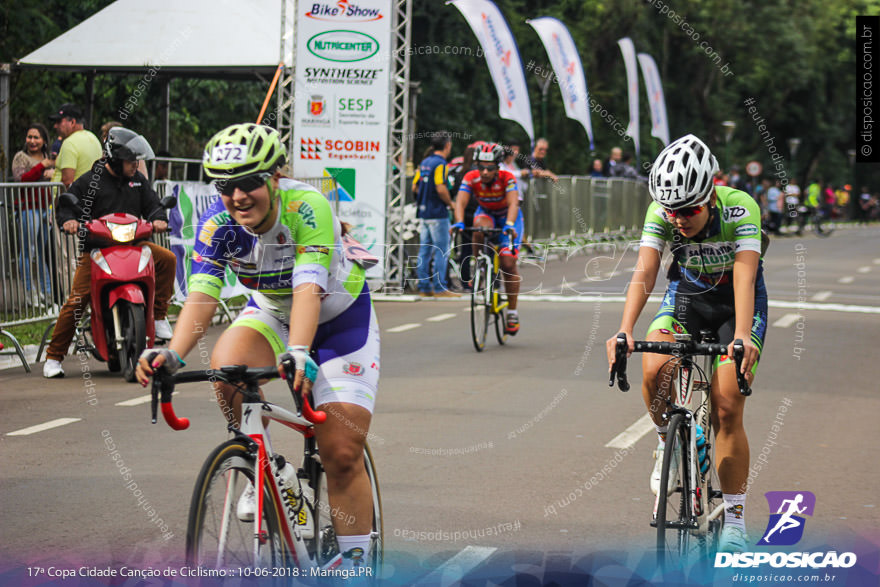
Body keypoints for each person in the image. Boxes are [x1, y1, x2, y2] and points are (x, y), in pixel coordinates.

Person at [134, 123, 380, 569]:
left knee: (341, 452)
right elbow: (203, 296)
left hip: (341, 321)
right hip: (273, 313)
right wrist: (174, 353)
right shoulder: (218, 224)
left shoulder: (307, 206)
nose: (238, 196)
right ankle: (269, 466)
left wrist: (300, 351)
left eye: (250, 183)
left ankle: (357, 567)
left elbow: (309, 287)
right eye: (226, 186)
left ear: (275, 177)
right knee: (228, 368)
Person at [605, 134, 767, 553]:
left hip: (736, 304)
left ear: (711, 194)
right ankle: (666, 443)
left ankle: (734, 520)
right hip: (686, 299)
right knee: (654, 368)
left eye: (690, 210)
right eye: (672, 211)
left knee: (727, 402)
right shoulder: (661, 212)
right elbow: (645, 271)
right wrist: (624, 330)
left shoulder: (740, 206)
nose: (679, 219)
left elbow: (747, 276)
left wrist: (743, 338)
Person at [43, 127, 176, 378]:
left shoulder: (137, 180)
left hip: (135, 247)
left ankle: (158, 317)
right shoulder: (91, 181)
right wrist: (68, 221)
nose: (135, 165)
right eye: (130, 160)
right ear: (115, 158)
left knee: (167, 259)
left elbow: (153, 205)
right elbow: (68, 202)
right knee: (77, 300)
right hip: (97, 251)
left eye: (137, 160)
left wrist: (159, 218)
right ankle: (53, 357)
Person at [452, 143, 523, 334]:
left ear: (497, 167)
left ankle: (512, 313)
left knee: (508, 264)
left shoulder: (507, 178)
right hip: (487, 213)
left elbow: (513, 203)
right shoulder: (471, 177)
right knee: (478, 229)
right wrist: (458, 222)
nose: (484, 172)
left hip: (508, 216)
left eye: (489, 168)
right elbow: (461, 200)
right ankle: (481, 264)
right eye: (480, 167)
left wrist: (509, 224)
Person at [11, 123, 55, 305]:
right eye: (29, 137)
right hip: (28, 209)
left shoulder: (50, 158)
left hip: (46, 210)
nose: (32, 141)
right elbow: (21, 179)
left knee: (42, 252)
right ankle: (30, 292)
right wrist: (42, 167)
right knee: (27, 252)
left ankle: (47, 293)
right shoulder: (20, 157)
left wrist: (52, 171)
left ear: (44, 140)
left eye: (36, 137)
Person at [411, 132, 459, 297]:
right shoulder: (441, 164)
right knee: (441, 250)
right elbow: (440, 186)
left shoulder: (424, 162)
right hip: (438, 213)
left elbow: (414, 187)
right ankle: (440, 287)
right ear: (447, 145)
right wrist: (450, 203)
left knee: (424, 250)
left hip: (424, 212)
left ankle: (424, 286)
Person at [49, 103, 102, 188]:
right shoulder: (93, 138)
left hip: (73, 199)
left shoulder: (70, 143)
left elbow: (67, 182)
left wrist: (58, 201)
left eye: (59, 122)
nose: (55, 126)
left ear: (72, 122)